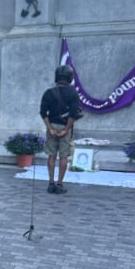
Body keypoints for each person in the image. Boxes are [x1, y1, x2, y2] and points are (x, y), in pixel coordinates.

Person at [40, 64, 81, 194]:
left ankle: (50, 183)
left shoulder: (48, 93)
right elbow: (73, 114)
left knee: (51, 155)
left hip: (51, 125)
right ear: (70, 78)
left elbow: (43, 112)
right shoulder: (73, 93)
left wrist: (50, 128)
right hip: (65, 126)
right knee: (64, 156)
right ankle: (59, 184)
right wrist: (66, 129)